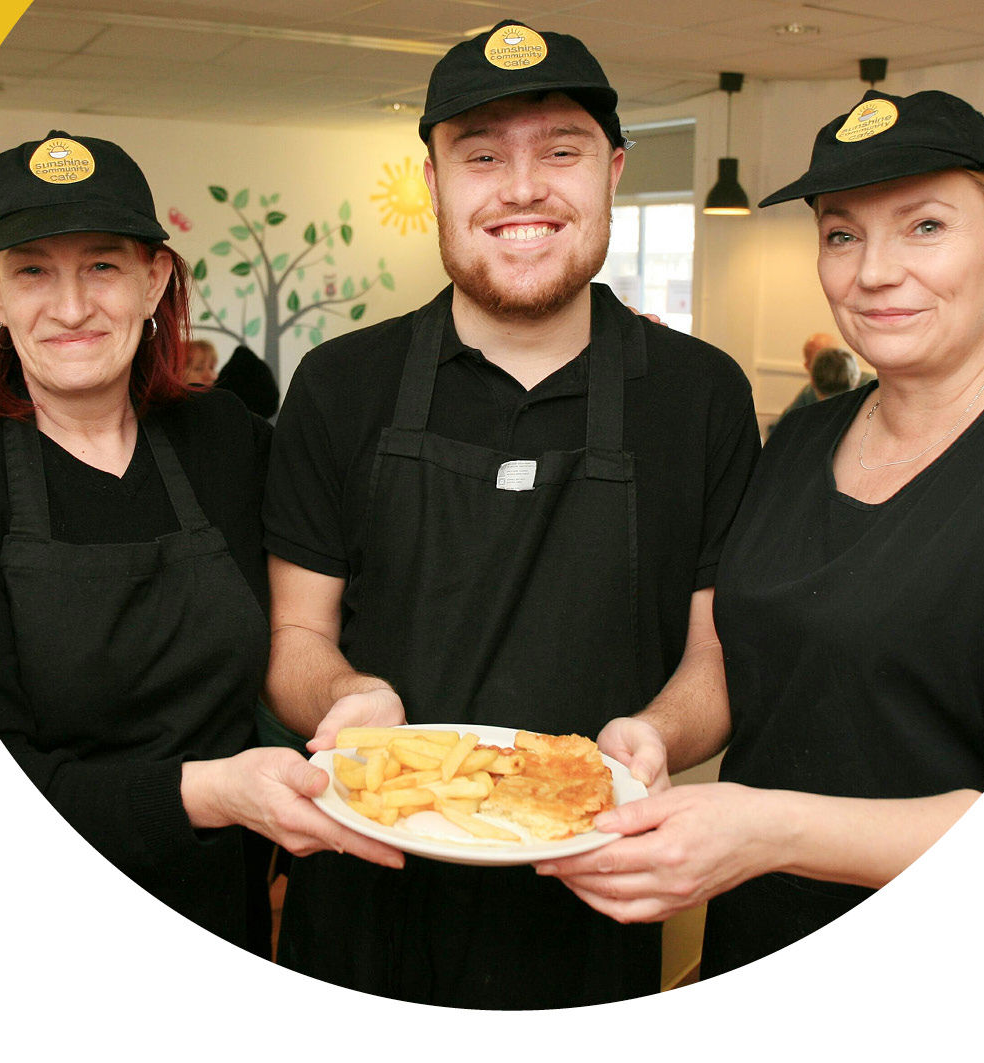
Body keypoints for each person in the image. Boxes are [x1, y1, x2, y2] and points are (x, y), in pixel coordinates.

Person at [538, 89, 984, 977]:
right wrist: (657, 732)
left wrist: (766, 830)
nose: (874, 271)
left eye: (924, 226)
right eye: (842, 233)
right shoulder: (804, 434)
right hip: (756, 946)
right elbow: (755, 667)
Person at [261, 21, 759, 1007]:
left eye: (560, 151)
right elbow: (295, 636)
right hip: (363, 889)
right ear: (436, 179)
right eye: (482, 155)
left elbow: (715, 661)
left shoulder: (698, 396)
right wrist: (345, 701)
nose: (522, 188)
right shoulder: (338, 386)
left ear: (614, 172)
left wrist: (654, 734)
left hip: (592, 904)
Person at [0, 130, 401, 955]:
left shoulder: (223, 439)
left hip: (223, 906)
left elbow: (312, 610)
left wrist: (357, 692)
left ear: (153, 278)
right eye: (32, 269)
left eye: (101, 265)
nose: (69, 307)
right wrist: (212, 791)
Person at [780, 330, 844, 415]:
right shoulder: (809, 393)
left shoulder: (863, 385)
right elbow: (784, 423)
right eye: (820, 363)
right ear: (808, 367)